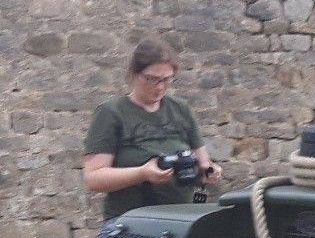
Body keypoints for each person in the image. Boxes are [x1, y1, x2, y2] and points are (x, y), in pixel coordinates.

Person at [83, 38, 224, 220]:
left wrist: (208, 171)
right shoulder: (111, 113)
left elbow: (203, 163)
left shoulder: (180, 109)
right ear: (135, 73)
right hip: (130, 222)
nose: (160, 87)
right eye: (151, 79)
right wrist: (142, 173)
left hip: (181, 218)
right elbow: (93, 178)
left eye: (167, 79)